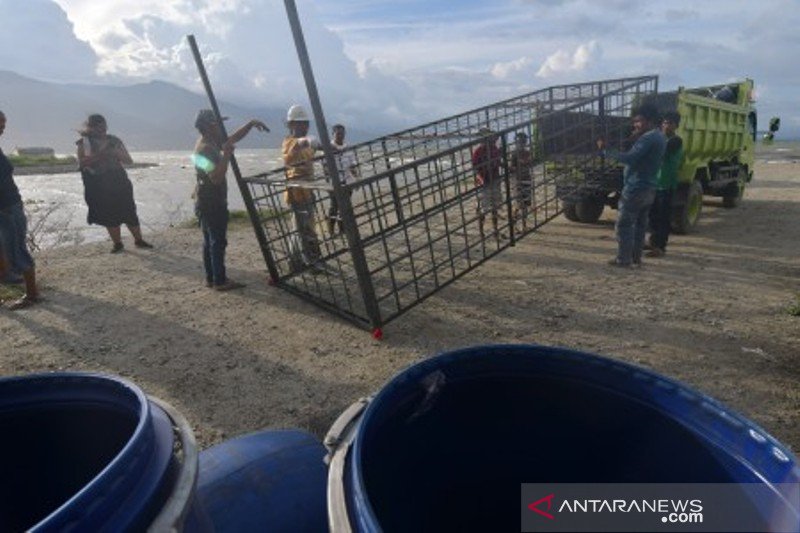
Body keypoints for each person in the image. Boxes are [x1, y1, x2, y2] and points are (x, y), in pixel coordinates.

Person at [192, 109, 268, 290]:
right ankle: (219, 281)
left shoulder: (207, 143)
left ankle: (212, 278)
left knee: (209, 240)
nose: (221, 127)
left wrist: (250, 124)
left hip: (205, 200)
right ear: (210, 127)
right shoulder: (205, 149)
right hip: (211, 202)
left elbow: (231, 139)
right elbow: (216, 177)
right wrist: (226, 154)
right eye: (218, 124)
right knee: (217, 241)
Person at [597, 103, 666, 267]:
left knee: (624, 225)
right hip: (649, 186)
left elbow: (629, 159)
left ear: (649, 121)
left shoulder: (648, 138)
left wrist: (606, 150)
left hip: (636, 187)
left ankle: (623, 259)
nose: (635, 125)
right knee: (640, 225)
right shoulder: (659, 136)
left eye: (639, 121)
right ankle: (635, 258)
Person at [77, 114, 152, 253]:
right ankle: (118, 243)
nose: (102, 130)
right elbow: (82, 163)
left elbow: (129, 160)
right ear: (91, 128)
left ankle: (138, 240)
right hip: (99, 183)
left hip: (119, 180)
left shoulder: (114, 141)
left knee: (129, 211)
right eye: (98, 127)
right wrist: (102, 154)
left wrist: (115, 152)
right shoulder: (84, 143)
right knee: (109, 214)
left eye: (104, 127)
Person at [0, 111, 41, 309]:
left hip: (7, 207)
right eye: (0, 125)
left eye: (3, 125)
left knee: (16, 250)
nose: (3, 129)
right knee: (9, 249)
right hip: (7, 206)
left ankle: (32, 295)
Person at [282, 104, 322, 268]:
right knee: (303, 229)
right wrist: (306, 140)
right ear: (291, 125)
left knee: (302, 228)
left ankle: (295, 261)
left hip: (307, 191)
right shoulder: (289, 143)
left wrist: (331, 147)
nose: (304, 127)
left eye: (306, 123)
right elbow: (297, 146)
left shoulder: (306, 146)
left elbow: (314, 147)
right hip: (296, 193)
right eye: (300, 123)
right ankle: (309, 261)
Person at [647, 112, 683, 257]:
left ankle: (661, 247)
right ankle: (653, 242)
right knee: (652, 215)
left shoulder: (676, 140)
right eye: (664, 123)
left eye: (669, 123)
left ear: (676, 126)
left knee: (663, 217)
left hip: (666, 185)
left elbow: (661, 151)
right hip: (655, 183)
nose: (666, 126)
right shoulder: (660, 138)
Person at [472, 128, 504, 238]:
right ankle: (481, 232)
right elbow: (475, 168)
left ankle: (495, 229)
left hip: (495, 180)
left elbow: (499, 163)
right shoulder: (478, 151)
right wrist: (480, 179)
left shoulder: (494, 148)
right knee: (483, 209)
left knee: (495, 207)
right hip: (484, 183)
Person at [327, 123, 358, 235]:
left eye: (342, 133)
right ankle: (331, 230)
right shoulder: (328, 148)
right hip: (334, 183)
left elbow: (352, 166)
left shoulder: (347, 148)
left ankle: (342, 229)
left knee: (345, 207)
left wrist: (356, 179)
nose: (340, 136)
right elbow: (326, 167)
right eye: (338, 133)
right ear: (333, 134)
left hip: (347, 181)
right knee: (334, 207)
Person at [509, 131, 534, 224]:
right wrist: (520, 165)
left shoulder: (527, 152)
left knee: (526, 203)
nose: (522, 144)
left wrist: (528, 162)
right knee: (520, 204)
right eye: (520, 142)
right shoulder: (514, 154)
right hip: (518, 180)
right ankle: (514, 221)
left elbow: (531, 164)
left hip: (526, 179)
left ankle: (524, 224)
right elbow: (511, 167)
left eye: (523, 141)